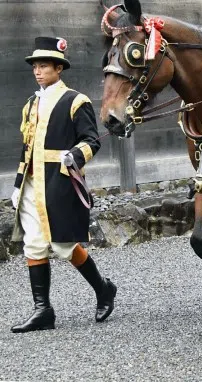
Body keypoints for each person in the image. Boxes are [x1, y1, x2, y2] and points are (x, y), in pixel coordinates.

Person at [10, 37, 114, 333]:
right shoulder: (31, 103)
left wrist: (75, 155)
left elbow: (92, 141)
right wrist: (19, 183)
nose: (37, 71)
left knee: (64, 245)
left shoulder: (75, 101)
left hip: (59, 182)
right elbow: (26, 147)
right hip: (32, 183)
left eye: (43, 65)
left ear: (59, 68)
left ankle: (104, 288)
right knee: (34, 243)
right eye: (35, 66)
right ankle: (43, 310)